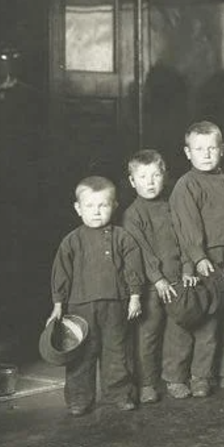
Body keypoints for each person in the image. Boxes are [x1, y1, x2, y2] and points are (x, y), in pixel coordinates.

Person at [47, 176, 143, 416]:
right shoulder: (71, 241)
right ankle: (79, 399)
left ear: (114, 206)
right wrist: (58, 305)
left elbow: (133, 268)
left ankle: (119, 394)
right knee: (81, 354)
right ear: (78, 209)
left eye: (103, 205)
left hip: (115, 305)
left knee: (117, 352)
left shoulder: (122, 237)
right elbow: (61, 274)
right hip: (80, 307)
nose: (97, 211)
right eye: (90, 206)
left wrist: (135, 296)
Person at [169, 121, 224, 398]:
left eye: (212, 148)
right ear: (188, 153)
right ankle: (201, 376)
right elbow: (187, 227)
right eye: (199, 149)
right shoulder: (186, 186)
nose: (207, 154)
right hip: (207, 260)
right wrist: (198, 258)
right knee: (208, 322)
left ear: (222, 150)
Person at [122, 149, 182, 405]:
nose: (150, 182)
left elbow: (184, 237)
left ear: (164, 177)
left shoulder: (173, 205)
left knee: (177, 330)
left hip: (177, 279)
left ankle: (175, 377)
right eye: (143, 176)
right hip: (151, 285)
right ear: (132, 181)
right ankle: (147, 382)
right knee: (148, 334)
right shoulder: (132, 214)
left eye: (155, 175)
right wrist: (157, 279)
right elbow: (140, 251)